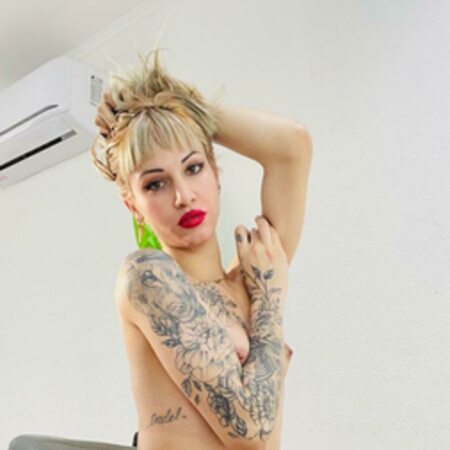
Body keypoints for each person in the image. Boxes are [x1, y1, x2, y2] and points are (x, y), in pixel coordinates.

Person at [91, 45, 313, 450]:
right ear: (132, 205)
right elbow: (253, 434)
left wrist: (178, 105)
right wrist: (268, 299)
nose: (184, 195)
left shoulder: (252, 274)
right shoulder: (147, 277)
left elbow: (291, 145)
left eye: (193, 168)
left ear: (216, 173)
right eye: (155, 184)